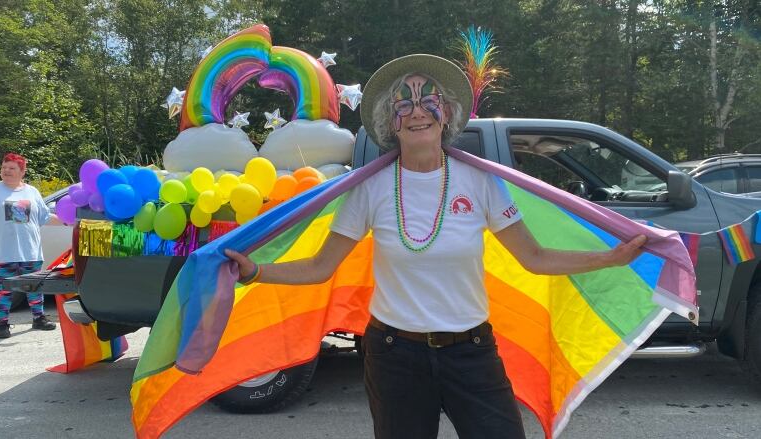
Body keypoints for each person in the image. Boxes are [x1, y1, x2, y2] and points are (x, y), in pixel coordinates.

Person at [225, 54, 646, 438]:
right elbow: (320, 266)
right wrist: (257, 270)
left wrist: (610, 258)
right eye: (403, 104)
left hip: (472, 354)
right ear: (392, 122)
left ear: (447, 114)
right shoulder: (369, 188)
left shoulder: (481, 182)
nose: (417, 111)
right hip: (394, 357)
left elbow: (533, 258)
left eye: (429, 101)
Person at [0, 153, 61, 339]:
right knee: (3, 289)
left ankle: (38, 318)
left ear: (22, 171)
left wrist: (69, 222)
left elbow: (44, 217)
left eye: (11, 168)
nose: (6, 171)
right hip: (4, 251)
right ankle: (2, 324)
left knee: (34, 286)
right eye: (4, 168)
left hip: (30, 250)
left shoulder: (32, 191)